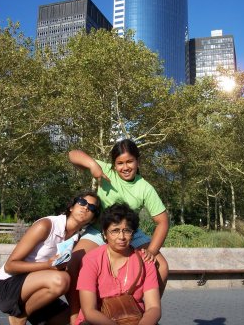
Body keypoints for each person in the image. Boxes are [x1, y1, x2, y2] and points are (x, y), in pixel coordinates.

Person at [67, 139, 169, 324]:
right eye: (120, 163)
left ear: (138, 161)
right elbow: (72, 154)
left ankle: (140, 311)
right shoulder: (106, 171)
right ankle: (76, 317)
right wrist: (92, 165)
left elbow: (162, 222)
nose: (125, 167)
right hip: (100, 230)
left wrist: (151, 252)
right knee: (74, 262)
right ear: (114, 164)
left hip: (130, 231)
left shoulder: (144, 187)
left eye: (129, 161)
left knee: (161, 265)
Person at [0, 190, 100, 325]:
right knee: (61, 280)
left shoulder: (76, 240)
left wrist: (75, 317)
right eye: (82, 202)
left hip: (39, 294)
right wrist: (48, 266)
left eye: (92, 207)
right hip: (8, 288)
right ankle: (20, 316)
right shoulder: (47, 225)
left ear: (93, 218)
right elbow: (10, 265)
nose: (85, 207)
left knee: (77, 319)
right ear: (72, 207)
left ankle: (28, 313)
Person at [76, 203, 161, 325]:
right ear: (105, 234)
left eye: (127, 231)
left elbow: (154, 308)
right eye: (115, 231)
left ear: (133, 234)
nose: (121, 237)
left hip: (135, 319)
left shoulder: (145, 261)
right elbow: (89, 311)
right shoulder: (91, 260)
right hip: (98, 321)